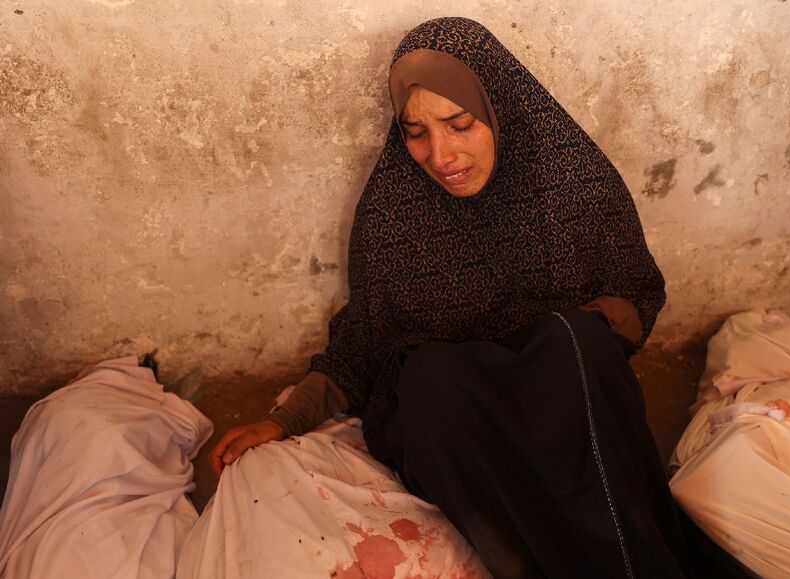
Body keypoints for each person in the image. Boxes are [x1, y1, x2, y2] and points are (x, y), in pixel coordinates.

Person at [209, 16, 687, 578]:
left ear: (499, 108)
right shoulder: (394, 213)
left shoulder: (572, 183)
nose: (441, 156)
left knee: (575, 343)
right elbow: (368, 337)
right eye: (416, 132)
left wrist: (543, 352)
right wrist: (286, 419)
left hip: (555, 396)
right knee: (428, 378)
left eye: (460, 124)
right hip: (457, 421)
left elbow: (635, 295)